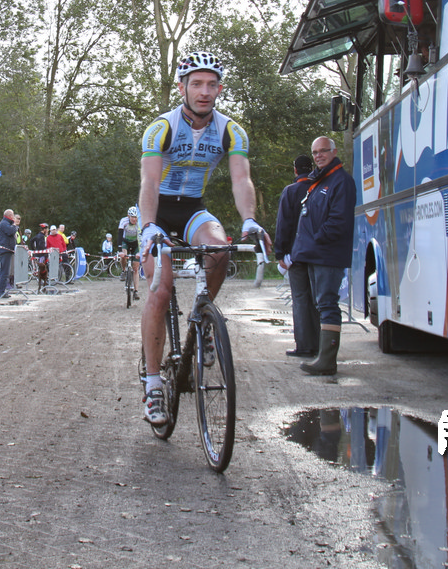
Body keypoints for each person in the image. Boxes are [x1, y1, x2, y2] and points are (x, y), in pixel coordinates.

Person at [137, 52, 271, 425]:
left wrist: (250, 220)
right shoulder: (161, 127)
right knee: (160, 289)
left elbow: (241, 179)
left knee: (220, 249)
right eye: (196, 84)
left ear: (220, 89)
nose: (204, 91)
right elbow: (149, 181)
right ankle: (153, 385)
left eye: (211, 84)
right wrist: (148, 226)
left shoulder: (231, 131)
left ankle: (202, 317)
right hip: (159, 210)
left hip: (193, 208)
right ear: (182, 88)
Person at [291, 136, 356, 377]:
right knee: (321, 304)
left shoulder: (341, 181)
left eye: (323, 151)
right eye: (315, 152)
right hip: (314, 254)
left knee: (328, 303)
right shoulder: (319, 181)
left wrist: (316, 240)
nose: (319, 155)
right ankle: (322, 355)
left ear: (334, 152)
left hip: (327, 255)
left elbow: (338, 221)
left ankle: (327, 361)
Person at [274, 154, 316, 357]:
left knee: (300, 299)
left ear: (295, 170)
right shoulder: (319, 188)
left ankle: (304, 346)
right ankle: (320, 344)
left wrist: (280, 252)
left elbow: (284, 223)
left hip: (296, 254)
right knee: (317, 299)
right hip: (317, 254)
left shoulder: (290, 191)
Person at [117, 206, 140, 297]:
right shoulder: (124, 221)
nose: (134, 219)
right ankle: (123, 270)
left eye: (136, 217)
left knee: (136, 268)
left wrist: (140, 251)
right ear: (128, 216)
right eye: (132, 217)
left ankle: (136, 291)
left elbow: (142, 237)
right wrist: (120, 251)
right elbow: (119, 236)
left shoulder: (140, 222)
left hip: (136, 243)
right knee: (123, 255)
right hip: (125, 242)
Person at [0, 208, 17, 298]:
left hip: (7, 250)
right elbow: (10, 231)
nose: (14, 217)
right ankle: (1, 292)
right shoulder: (4, 223)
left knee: (4, 272)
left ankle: (2, 291)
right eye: (13, 215)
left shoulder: (6, 223)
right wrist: (14, 225)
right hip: (5, 250)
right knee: (4, 272)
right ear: (10, 216)